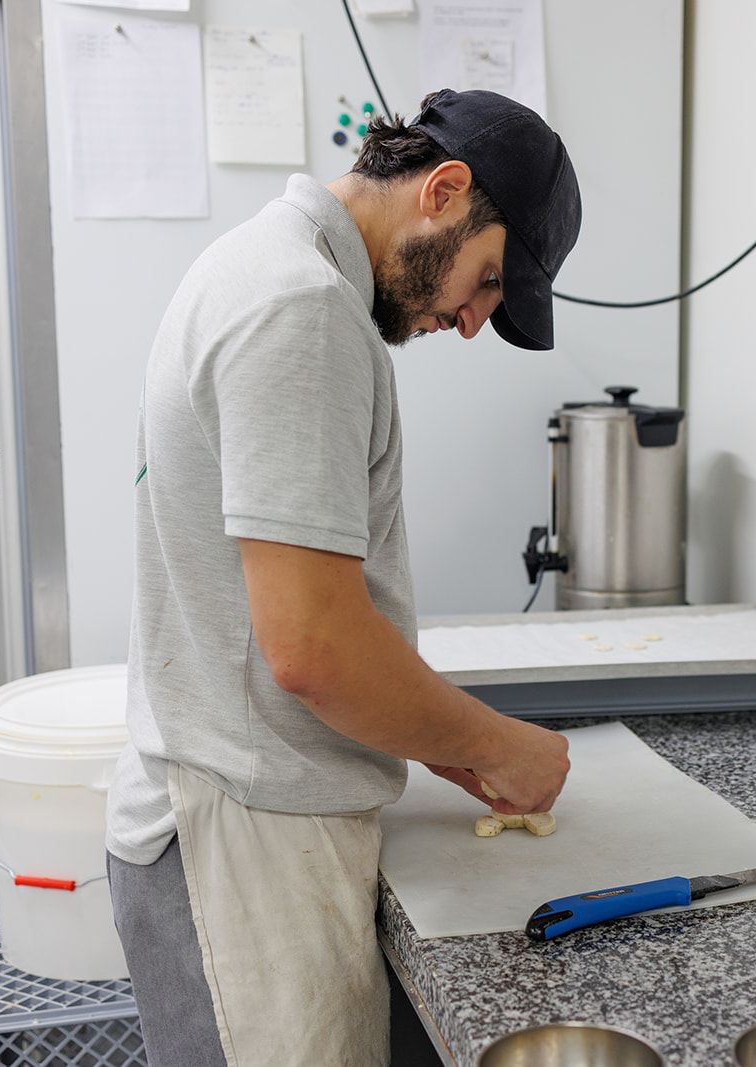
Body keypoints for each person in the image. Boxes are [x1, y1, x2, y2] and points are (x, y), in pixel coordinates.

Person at [104, 89, 581, 1067]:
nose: (470, 320)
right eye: (488, 281)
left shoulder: (255, 267)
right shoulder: (300, 311)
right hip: (246, 847)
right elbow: (312, 647)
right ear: (445, 191)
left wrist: (437, 737)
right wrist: (503, 743)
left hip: (240, 814)